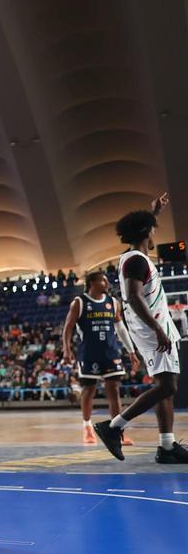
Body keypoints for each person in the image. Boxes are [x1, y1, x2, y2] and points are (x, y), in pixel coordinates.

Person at [94, 194, 187, 463]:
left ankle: (167, 446)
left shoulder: (134, 256)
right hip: (152, 328)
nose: (155, 232)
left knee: (164, 385)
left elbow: (144, 230)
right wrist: (158, 329)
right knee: (168, 385)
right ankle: (113, 427)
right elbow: (134, 297)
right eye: (153, 228)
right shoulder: (137, 261)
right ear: (147, 232)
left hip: (149, 326)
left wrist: (153, 212)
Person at [62, 271, 139, 445]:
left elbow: (120, 329)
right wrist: (66, 349)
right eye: (103, 280)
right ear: (92, 283)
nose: (106, 282)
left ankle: (116, 432)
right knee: (89, 391)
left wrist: (131, 351)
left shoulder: (112, 302)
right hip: (89, 353)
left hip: (111, 352)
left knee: (114, 391)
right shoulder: (80, 302)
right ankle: (87, 427)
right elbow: (68, 327)